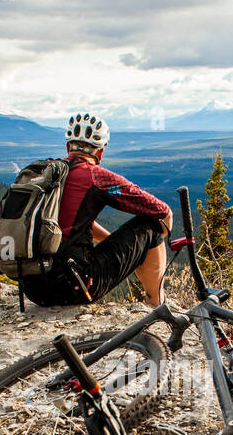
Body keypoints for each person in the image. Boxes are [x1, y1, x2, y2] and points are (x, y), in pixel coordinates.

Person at [19, 112, 172, 309]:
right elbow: (162, 211)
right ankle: (156, 302)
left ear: (68, 147)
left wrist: (115, 244)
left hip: (32, 289)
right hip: (73, 287)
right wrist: (143, 249)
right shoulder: (96, 177)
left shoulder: (47, 175)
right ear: (99, 153)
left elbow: (74, 222)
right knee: (151, 225)